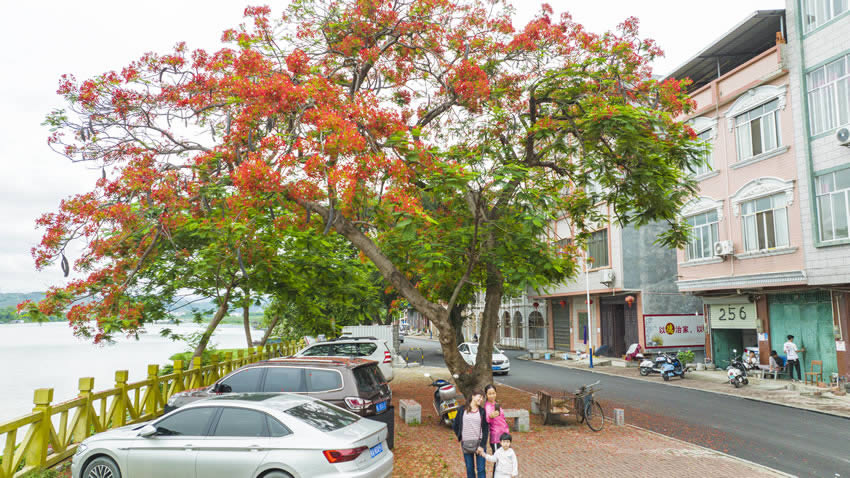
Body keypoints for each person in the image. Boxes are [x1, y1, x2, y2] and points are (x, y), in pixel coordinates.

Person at [453, 389, 489, 478]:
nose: (481, 400)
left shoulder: (482, 411)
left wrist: (482, 445)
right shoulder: (462, 409)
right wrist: (460, 436)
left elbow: (485, 429)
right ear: (473, 396)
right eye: (479, 397)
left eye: (482, 398)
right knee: (469, 469)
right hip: (466, 444)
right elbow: (455, 425)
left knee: (481, 469)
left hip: (479, 444)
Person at [483, 385, 509, 456]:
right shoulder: (487, 406)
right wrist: (491, 416)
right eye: (490, 394)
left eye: (493, 393)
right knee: (498, 461)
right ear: (486, 395)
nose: (492, 396)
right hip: (496, 438)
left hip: (505, 435)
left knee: (506, 460)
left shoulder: (496, 404)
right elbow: (487, 419)